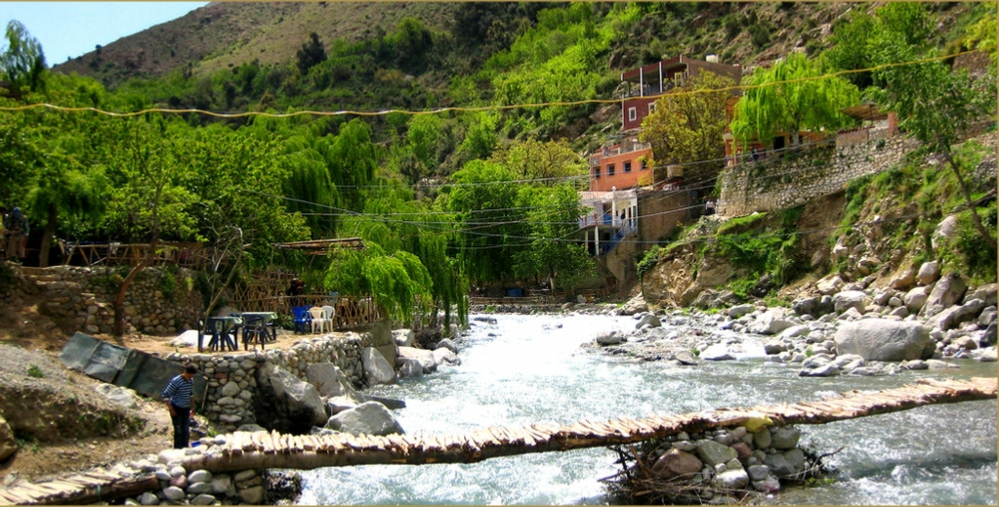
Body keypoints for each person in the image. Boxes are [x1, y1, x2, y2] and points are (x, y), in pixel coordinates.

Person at [162, 365, 197, 449]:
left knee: (185, 431)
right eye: (189, 376)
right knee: (178, 431)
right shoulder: (176, 381)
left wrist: (193, 407)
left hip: (185, 408)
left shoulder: (191, 381)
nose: (189, 378)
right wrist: (171, 409)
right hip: (176, 408)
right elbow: (165, 396)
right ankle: (177, 449)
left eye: (191, 376)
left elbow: (190, 394)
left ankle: (184, 448)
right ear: (185, 372)